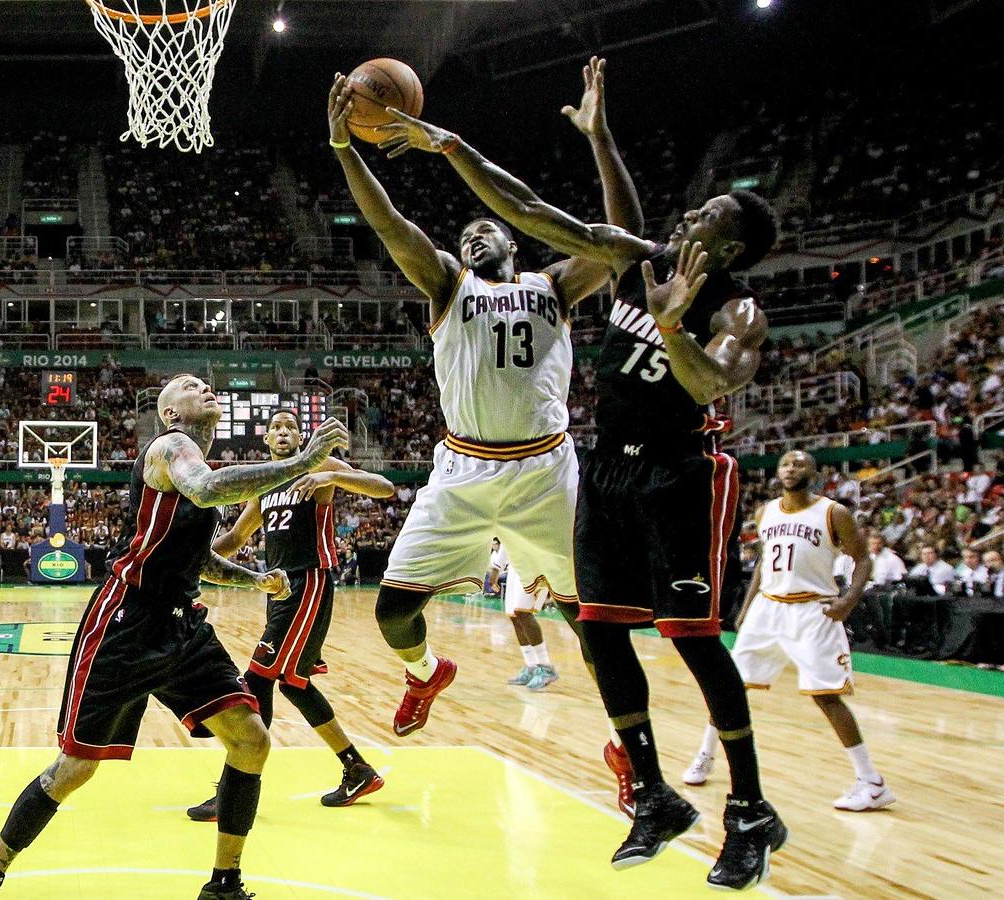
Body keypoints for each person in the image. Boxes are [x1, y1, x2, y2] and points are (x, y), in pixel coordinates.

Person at [374, 60, 786, 889]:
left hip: (680, 473)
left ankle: (750, 810)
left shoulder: (737, 308)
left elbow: (711, 383)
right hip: (604, 470)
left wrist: (671, 329)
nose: (692, 210)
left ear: (731, 244)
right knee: (597, 629)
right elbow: (539, 210)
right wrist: (487, 142)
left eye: (709, 211)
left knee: (694, 642)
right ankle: (655, 796)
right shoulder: (644, 259)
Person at [331, 58, 641, 815]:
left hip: (546, 472)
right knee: (392, 612)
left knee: (590, 621)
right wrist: (345, 150)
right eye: (464, 232)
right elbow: (388, 224)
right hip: (463, 472)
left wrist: (600, 140)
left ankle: (628, 747)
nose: (472, 236)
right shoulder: (445, 283)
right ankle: (426, 672)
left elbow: (623, 237)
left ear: (514, 240)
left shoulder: (556, 286)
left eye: (484, 228)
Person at [0, 375, 347, 900]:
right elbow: (208, 488)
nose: (205, 387)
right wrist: (303, 462)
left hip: (183, 624)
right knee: (76, 767)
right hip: (126, 622)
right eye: (189, 386)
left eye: (208, 384)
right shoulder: (171, 447)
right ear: (170, 413)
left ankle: (224, 884)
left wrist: (252, 579)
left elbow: (199, 559)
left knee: (251, 739)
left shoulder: (196, 471)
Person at [185, 409, 394, 821]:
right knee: (295, 686)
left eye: (290, 427)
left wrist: (332, 477)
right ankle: (357, 769)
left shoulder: (320, 466)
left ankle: (235, 786)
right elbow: (235, 538)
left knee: (257, 678)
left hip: (308, 581)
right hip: (278, 588)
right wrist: (189, 559)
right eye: (275, 428)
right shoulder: (264, 487)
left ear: (300, 436)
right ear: (266, 441)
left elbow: (384, 487)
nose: (283, 433)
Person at [684, 451, 895, 812]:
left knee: (826, 695)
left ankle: (872, 783)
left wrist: (847, 601)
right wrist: (748, 607)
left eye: (799, 464)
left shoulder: (833, 512)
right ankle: (705, 755)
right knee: (729, 686)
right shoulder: (765, 512)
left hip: (813, 610)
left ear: (815, 472)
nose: (791, 469)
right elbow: (766, 562)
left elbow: (863, 558)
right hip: (769, 607)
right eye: (785, 464)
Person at [488, 538, 558, 690]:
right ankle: (532, 666)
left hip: (535, 563)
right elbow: (508, 534)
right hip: (515, 565)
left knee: (523, 612)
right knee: (514, 616)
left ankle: (546, 667)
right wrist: (496, 567)